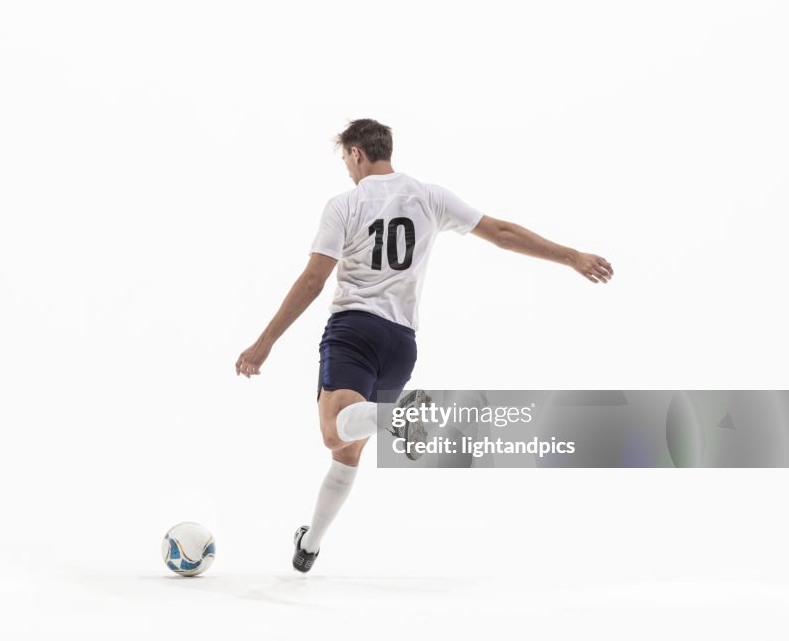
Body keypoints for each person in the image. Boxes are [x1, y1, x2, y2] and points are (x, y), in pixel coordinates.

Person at [234, 118, 614, 573]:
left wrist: (264, 342)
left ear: (357, 153)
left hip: (354, 329)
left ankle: (397, 415)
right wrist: (572, 256)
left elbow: (314, 279)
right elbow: (502, 233)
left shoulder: (345, 204)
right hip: (401, 343)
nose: (348, 171)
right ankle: (309, 546)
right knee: (347, 449)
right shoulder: (430, 197)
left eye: (346, 161)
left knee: (334, 430)